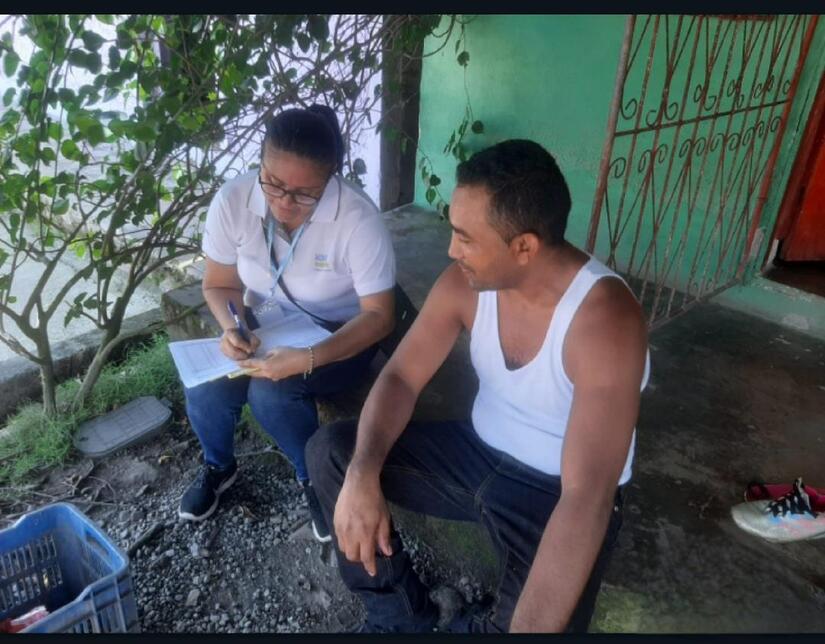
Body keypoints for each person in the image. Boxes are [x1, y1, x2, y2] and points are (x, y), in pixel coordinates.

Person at [305, 139, 650, 632]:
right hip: (474, 456)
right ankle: (398, 617)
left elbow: (587, 497)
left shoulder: (604, 321)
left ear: (524, 247)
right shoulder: (463, 284)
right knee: (334, 452)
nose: (451, 250)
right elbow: (401, 376)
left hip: (555, 491)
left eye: (466, 238)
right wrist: (362, 473)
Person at [178, 105, 396, 545]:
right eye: (273, 183)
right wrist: (232, 326)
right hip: (267, 319)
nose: (283, 202)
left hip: (342, 332)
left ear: (330, 178)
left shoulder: (357, 219)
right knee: (207, 384)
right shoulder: (233, 200)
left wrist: (309, 357)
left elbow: (380, 316)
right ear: (260, 161)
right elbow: (219, 283)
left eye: (304, 194)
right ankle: (219, 466)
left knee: (272, 391)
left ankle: (313, 479)